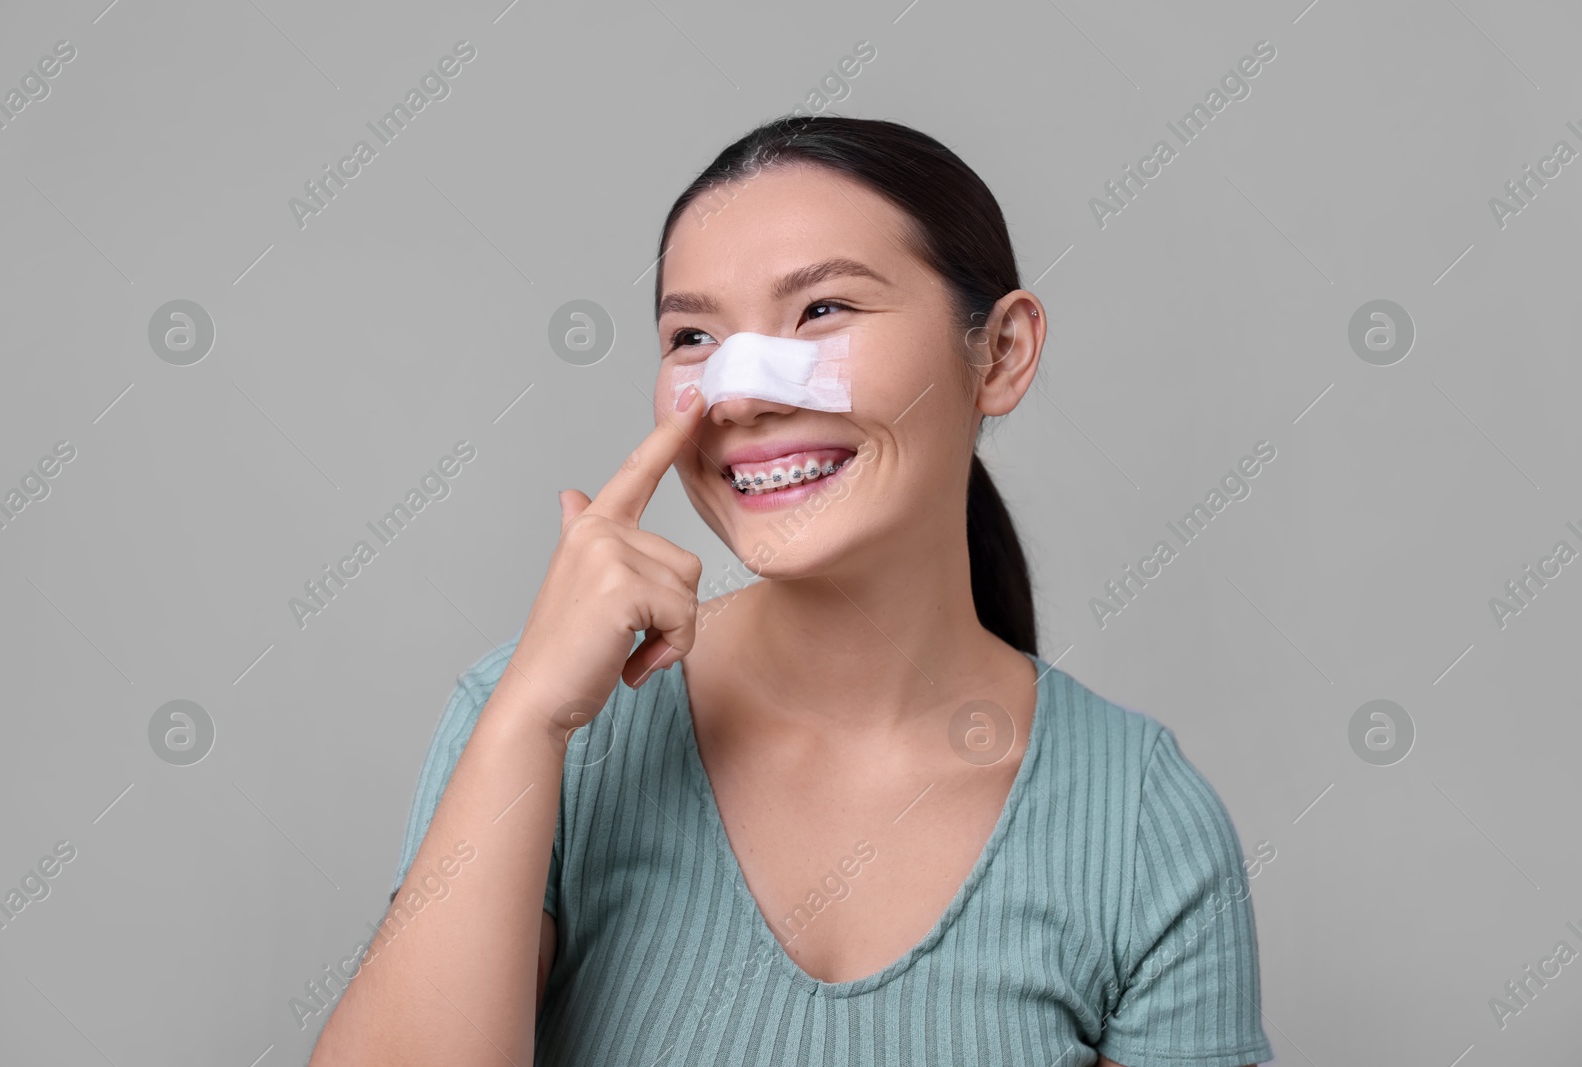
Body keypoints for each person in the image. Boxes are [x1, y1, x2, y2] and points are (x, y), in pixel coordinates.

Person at [310, 115, 1274, 1067]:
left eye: (821, 310)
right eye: (692, 336)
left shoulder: (1141, 824)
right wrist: (528, 722)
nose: (740, 396)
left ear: (1002, 352)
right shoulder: (541, 729)